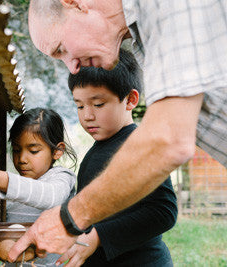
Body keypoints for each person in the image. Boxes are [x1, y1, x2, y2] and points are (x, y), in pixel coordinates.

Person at [8, 0, 227, 262]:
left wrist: (69, 218)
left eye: (62, 49)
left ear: (74, 4)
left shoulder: (167, 6)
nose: (72, 67)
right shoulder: (142, 39)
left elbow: (169, 141)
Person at [55, 49, 177, 267]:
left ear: (130, 100)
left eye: (98, 104)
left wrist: (99, 236)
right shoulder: (98, 149)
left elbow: (163, 211)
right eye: (79, 105)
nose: (87, 115)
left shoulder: (140, 145)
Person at [0, 108, 77, 266]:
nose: (22, 159)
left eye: (33, 151)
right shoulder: (17, 186)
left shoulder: (61, 177)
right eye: (17, 150)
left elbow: (51, 197)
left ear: (57, 151)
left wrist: (1, 179)